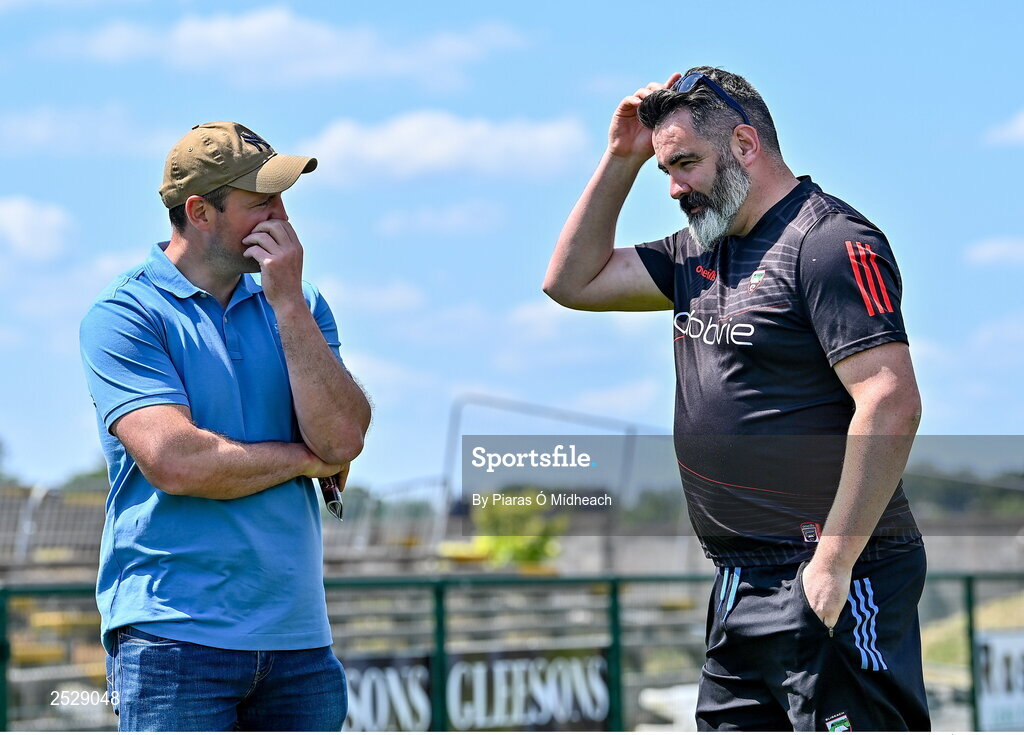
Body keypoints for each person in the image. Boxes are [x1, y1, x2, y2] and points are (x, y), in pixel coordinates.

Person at [543, 67, 930, 730]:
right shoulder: (699, 250)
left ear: (746, 144)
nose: (674, 187)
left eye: (686, 162)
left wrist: (831, 566)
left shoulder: (830, 241)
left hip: (836, 569)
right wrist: (619, 159)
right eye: (665, 167)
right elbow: (571, 280)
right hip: (739, 576)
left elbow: (890, 399)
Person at [79, 121, 371, 731]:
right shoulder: (124, 314)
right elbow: (178, 463)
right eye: (260, 200)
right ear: (198, 212)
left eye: (281, 198)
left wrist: (286, 301)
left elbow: (342, 439)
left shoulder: (301, 301)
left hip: (301, 642)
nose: (282, 216)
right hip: (173, 641)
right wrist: (303, 459)